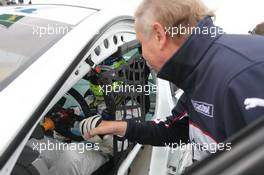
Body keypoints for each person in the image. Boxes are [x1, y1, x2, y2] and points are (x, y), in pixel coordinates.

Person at [80, 0, 264, 163]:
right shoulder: (199, 74)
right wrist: (116, 127)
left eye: (142, 42)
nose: (142, 54)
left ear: (159, 35)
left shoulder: (247, 73)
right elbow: (173, 130)